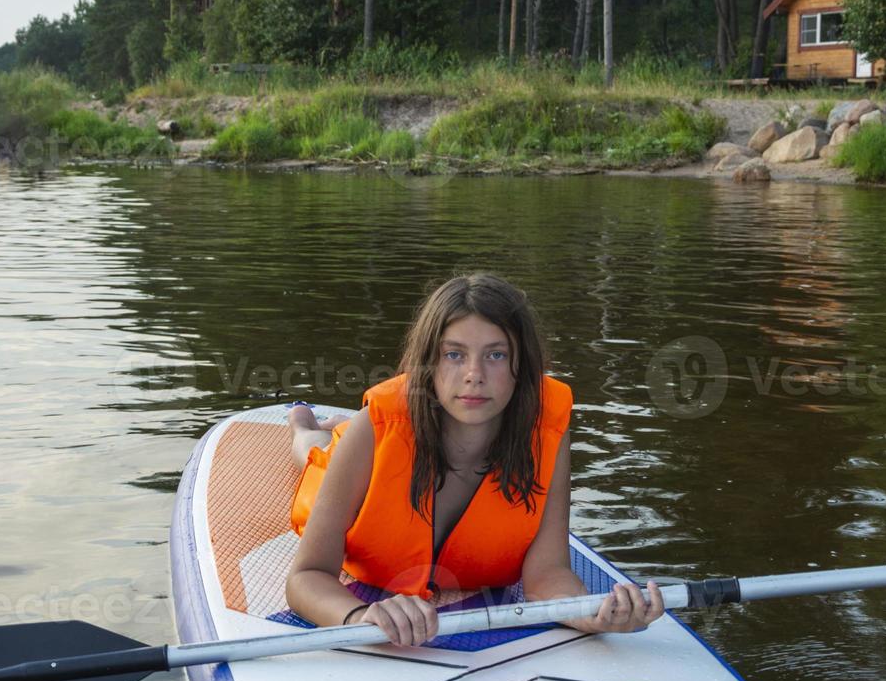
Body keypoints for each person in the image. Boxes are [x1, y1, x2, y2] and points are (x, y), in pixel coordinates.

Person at [284, 272, 665, 646]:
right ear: (428, 366)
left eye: (496, 355)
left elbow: (548, 574)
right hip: (364, 442)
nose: (474, 375)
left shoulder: (547, 428)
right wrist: (359, 616)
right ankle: (304, 425)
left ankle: (331, 428)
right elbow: (307, 576)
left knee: (338, 447)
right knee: (318, 458)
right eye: (454, 354)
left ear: (523, 368)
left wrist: (589, 613)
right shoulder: (379, 424)